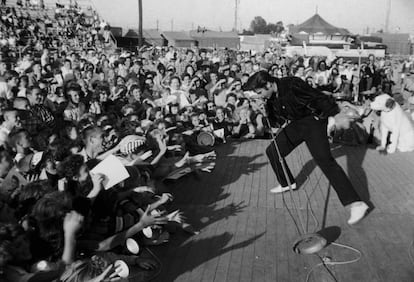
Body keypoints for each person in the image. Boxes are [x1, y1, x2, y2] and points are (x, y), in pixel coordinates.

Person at [244, 71, 369, 225]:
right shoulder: (270, 97)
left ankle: (356, 203)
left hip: (313, 122)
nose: (260, 95)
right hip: (297, 124)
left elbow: (319, 97)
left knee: (324, 161)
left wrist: (335, 115)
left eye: (260, 92)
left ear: (268, 84)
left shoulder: (292, 84)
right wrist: (265, 112)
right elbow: (276, 121)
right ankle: (287, 183)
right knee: (273, 151)